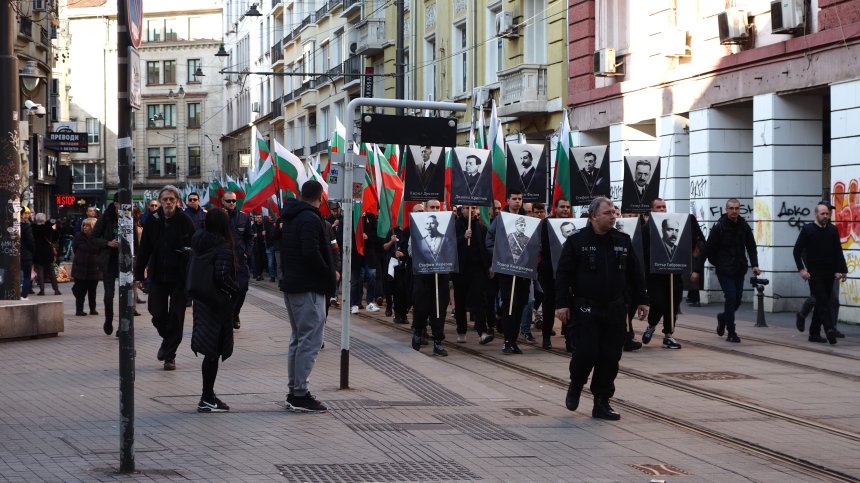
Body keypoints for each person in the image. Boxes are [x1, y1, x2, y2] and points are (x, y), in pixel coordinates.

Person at [555, 197, 648, 420]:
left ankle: (602, 401)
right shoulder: (577, 241)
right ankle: (576, 384)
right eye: (608, 213)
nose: (613, 216)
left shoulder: (622, 240)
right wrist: (561, 304)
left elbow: (635, 272)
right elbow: (563, 274)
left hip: (615, 307)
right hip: (586, 307)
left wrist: (643, 299)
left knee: (610, 356)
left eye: (614, 212)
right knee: (586, 352)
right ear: (594, 215)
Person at [279, 179, 336, 413]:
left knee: (298, 339)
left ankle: (295, 390)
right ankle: (300, 394)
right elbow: (310, 252)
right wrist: (329, 273)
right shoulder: (310, 219)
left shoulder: (292, 217)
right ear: (321, 196)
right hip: (308, 286)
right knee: (310, 341)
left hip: (294, 284)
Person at [135, 185, 196, 370]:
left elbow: (194, 250)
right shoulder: (152, 221)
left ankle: (169, 355)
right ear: (160, 201)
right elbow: (144, 249)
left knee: (177, 317)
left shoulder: (185, 221)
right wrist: (139, 275)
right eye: (165, 199)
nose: (168, 202)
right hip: (158, 276)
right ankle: (168, 338)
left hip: (179, 277)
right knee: (156, 311)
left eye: (172, 199)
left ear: (177, 201)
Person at [190, 208, 241, 413]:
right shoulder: (223, 247)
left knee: (209, 350)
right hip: (217, 303)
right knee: (213, 352)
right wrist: (235, 292)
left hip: (202, 300)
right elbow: (221, 276)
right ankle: (207, 397)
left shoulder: (199, 242)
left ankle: (208, 395)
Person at [705, 198, 760, 343]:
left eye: (737, 208)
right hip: (724, 270)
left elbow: (751, 246)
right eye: (732, 208)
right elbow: (709, 249)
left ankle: (723, 317)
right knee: (731, 298)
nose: (734, 211)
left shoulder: (744, 226)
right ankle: (731, 331)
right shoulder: (719, 227)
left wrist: (755, 264)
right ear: (726, 209)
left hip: (739, 269)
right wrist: (718, 263)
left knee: (737, 300)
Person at [793, 201, 847, 345]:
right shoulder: (808, 230)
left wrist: (842, 270)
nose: (825, 216)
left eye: (827, 214)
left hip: (829, 273)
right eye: (822, 213)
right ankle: (829, 329)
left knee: (822, 301)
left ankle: (814, 333)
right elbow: (796, 251)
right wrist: (802, 270)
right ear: (816, 214)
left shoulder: (832, 230)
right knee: (823, 300)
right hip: (814, 273)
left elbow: (838, 251)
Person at [487, 189, 530, 354]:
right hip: (506, 270)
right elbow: (489, 241)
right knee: (509, 304)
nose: (517, 201)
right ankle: (507, 340)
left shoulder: (527, 220)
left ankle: (513, 339)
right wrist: (500, 256)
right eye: (514, 198)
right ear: (508, 200)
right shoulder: (500, 220)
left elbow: (534, 244)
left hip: (523, 271)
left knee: (521, 304)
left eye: (520, 198)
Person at [410, 199, 451, 356]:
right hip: (423, 275)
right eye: (432, 207)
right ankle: (418, 331)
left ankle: (438, 341)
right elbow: (411, 251)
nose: (435, 209)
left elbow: (451, 252)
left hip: (440, 277)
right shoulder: (417, 232)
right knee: (421, 307)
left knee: (439, 310)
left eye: (437, 207)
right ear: (426, 209)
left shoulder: (446, 233)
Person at [453, 205, 493, 344]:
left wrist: (489, 266)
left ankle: (482, 331)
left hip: (477, 270)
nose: (471, 210)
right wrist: (463, 238)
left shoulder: (480, 227)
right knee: (460, 301)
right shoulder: (455, 225)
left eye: (474, 207)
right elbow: (449, 244)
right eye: (467, 208)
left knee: (479, 300)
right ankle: (461, 330)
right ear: (461, 209)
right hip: (460, 270)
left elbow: (485, 249)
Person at [222, 191, 252, 329]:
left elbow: (249, 237)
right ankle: (227, 316)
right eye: (229, 201)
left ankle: (235, 314)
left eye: (234, 201)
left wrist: (247, 252)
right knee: (225, 290)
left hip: (240, 260)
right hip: (223, 260)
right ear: (223, 201)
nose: (232, 203)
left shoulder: (243, 218)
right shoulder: (218, 216)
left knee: (242, 288)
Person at [93, 196, 120, 335]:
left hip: (124, 261)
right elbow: (94, 237)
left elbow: (136, 240)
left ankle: (123, 325)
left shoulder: (129, 217)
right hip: (109, 260)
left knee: (125, 295)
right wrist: (108, 243)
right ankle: (108, 320)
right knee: (109, 295)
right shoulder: (105, 217)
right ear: (115, 203)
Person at [71, 218, 102, 317]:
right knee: (80, 291)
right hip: (80, 268)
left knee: (92, 291)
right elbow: (74, 249)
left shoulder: (98, 237)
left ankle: (93, 309)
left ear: (93, 227)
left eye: (87, 226)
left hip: (93, 268)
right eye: (84, 225)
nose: (85, 227)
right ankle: (79, 310)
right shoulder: (78, 237)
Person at [32, 213, 61, 296]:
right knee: (51, 272)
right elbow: (55, 237)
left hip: (37, 252)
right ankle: (56, 290)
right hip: (48, 252)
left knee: (40, 272)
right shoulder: (49, 227)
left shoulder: (33, 228)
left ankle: (42, 291)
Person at [20, 207, 35, 300]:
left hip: (14, 254)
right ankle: (24, 295)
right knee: (26, 276)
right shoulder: (27, 226)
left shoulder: (10, 225)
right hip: (26, 255)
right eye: (25, 213)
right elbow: (31, 241)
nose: (27, 215)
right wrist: (33, 252)